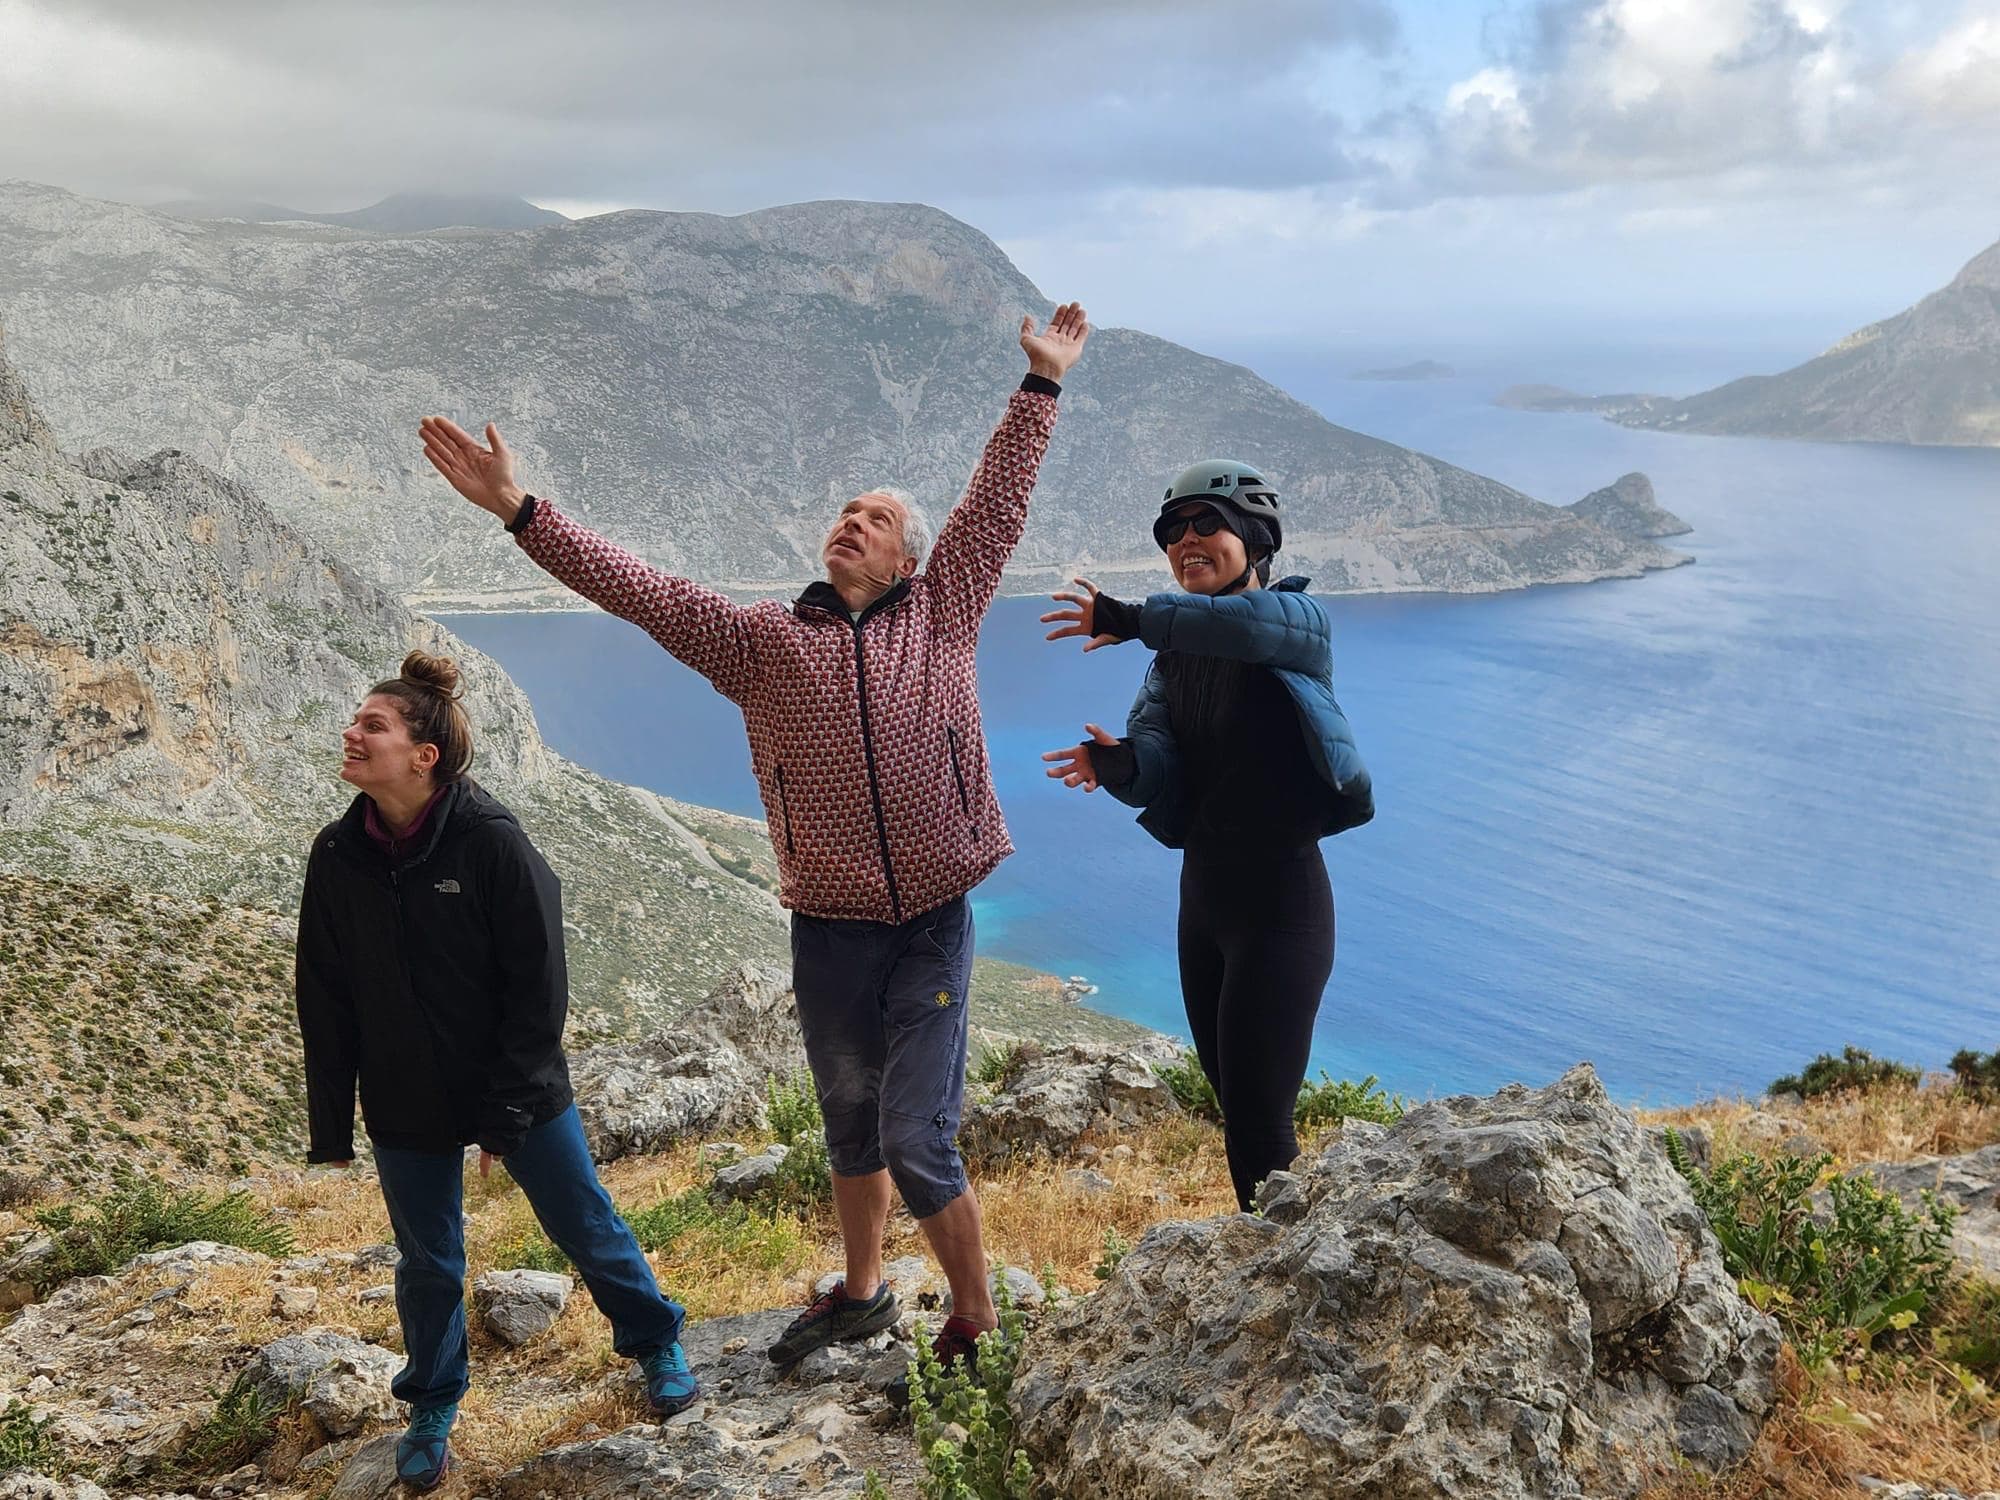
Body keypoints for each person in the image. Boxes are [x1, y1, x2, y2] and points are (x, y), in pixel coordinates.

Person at [416, 303, 1090, 1380]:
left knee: (918, 1136)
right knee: (848, 1126)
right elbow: (638, 590)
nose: (849, 523)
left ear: (911, 560)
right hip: (827, 929)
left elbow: (995, 505)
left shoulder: (944, 613)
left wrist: (1040, 385)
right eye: (842, 512)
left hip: (929, 921)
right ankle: (864, 1294)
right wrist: (518, 510)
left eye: (872, 517)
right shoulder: (761, 645)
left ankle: (974, 1315)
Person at [294, 651, 698, 1492]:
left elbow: (539, 987)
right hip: (404, 1096)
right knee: (429, 1261)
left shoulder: (491, 843)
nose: (352, 732)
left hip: (517, 1084)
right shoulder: (338, 854)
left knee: (583, 1222)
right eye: (356, 720)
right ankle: (433, 1404)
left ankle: (656, 1341)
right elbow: (323, 996)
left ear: (423, 754)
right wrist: (331, 1125)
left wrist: (505, 1114)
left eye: (374, 724)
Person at [1039, 461, 1373, 1212]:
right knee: (1236, 1102)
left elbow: (1241, 627)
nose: (1186, 541)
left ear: (1254, 540)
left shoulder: (1297, 627)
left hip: (1282, 906)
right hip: (1205, 903)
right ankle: (1291, 1247)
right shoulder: (1170, 662)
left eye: (1206, 525)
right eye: (1172, 531)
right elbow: (1157, 763)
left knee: (1259, 1122)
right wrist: (1119, 764)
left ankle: (1283, 1264)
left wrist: (1126, 617)